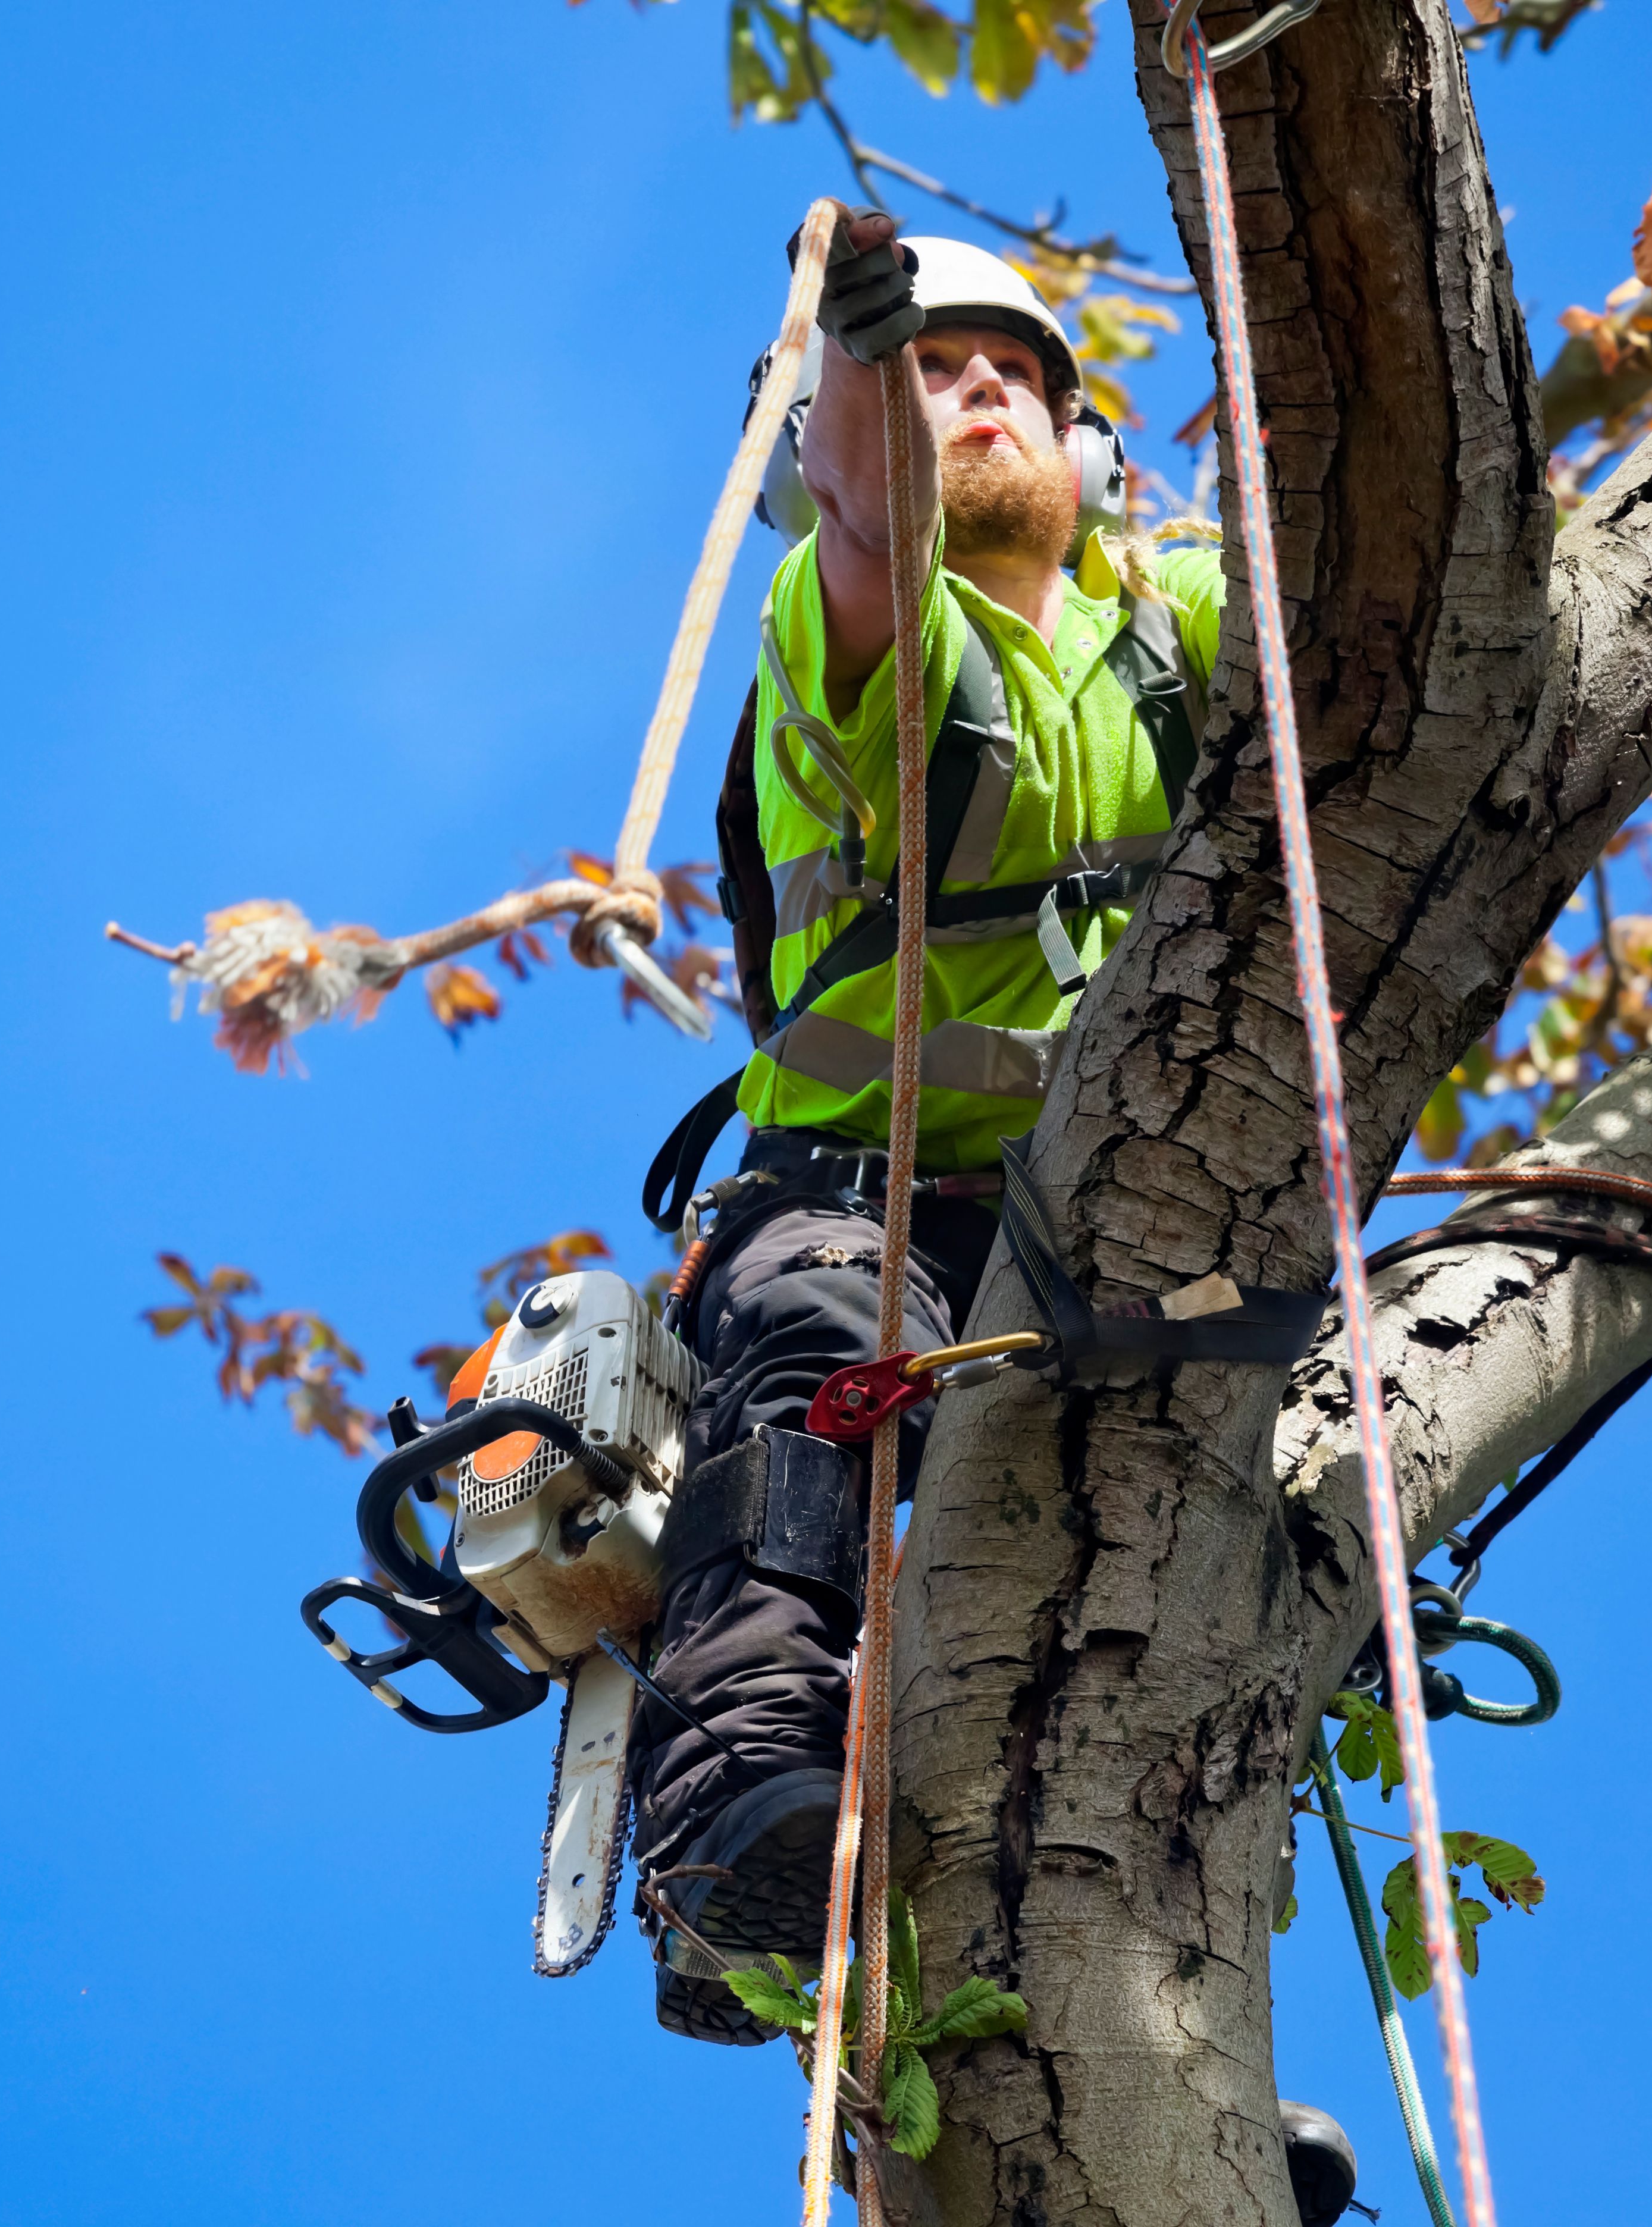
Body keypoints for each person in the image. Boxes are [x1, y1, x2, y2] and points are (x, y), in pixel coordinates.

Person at [635, 210, 1231, 2045]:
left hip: (1121, 1222)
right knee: (821, 1378)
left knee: (1204, 1542)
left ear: (1090, 451)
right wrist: (862, 347)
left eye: (1016, 376)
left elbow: (1370, 605)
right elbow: (873, 504)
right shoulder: (839, 616)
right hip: (861, 1196)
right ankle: (739, 1821)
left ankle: (1156, 1986)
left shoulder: (1172, 629)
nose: (974, 393)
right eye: (938, 368)